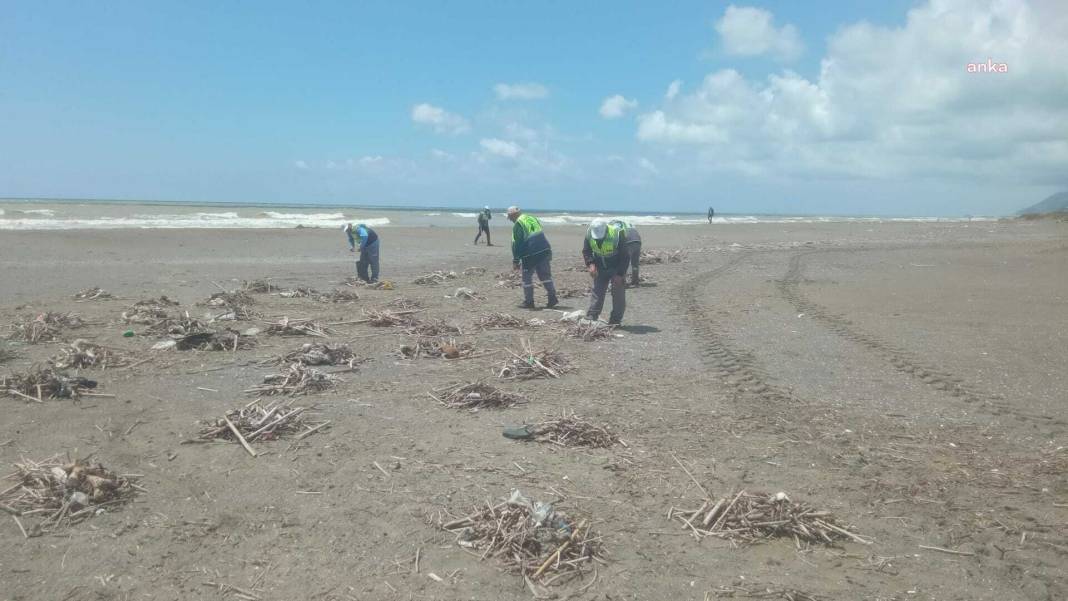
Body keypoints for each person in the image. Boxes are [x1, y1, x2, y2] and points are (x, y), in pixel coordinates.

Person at [508, 206, 558, 309]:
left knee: (527, 278)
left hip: (531, 253)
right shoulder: (532, 218)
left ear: (513, 215)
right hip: (544, 249)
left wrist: (516, 260)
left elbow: (516, 243)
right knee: (545, 276)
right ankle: (552, 297)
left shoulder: (518, 224)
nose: (510, 220)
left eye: (509, 217)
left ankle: (529, 301)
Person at [582, 218, 629, 324]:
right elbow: (587, 251)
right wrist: (591, 264)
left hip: (616, 267)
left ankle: (615, 321)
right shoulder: (590, 233)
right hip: (600, 266)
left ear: (606, 229)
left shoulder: (617, 234)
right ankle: (592, 315)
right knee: (597, 291)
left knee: (618, 294)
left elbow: (625, 256)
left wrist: (620, 274)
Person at [609, 218, 642, 286]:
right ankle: (635, 281)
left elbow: (618, 241)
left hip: (629, 242)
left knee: (625, 262)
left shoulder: (617, 229)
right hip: (638, 242)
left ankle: (623, 281)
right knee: (635, 263)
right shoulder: (629, 227)